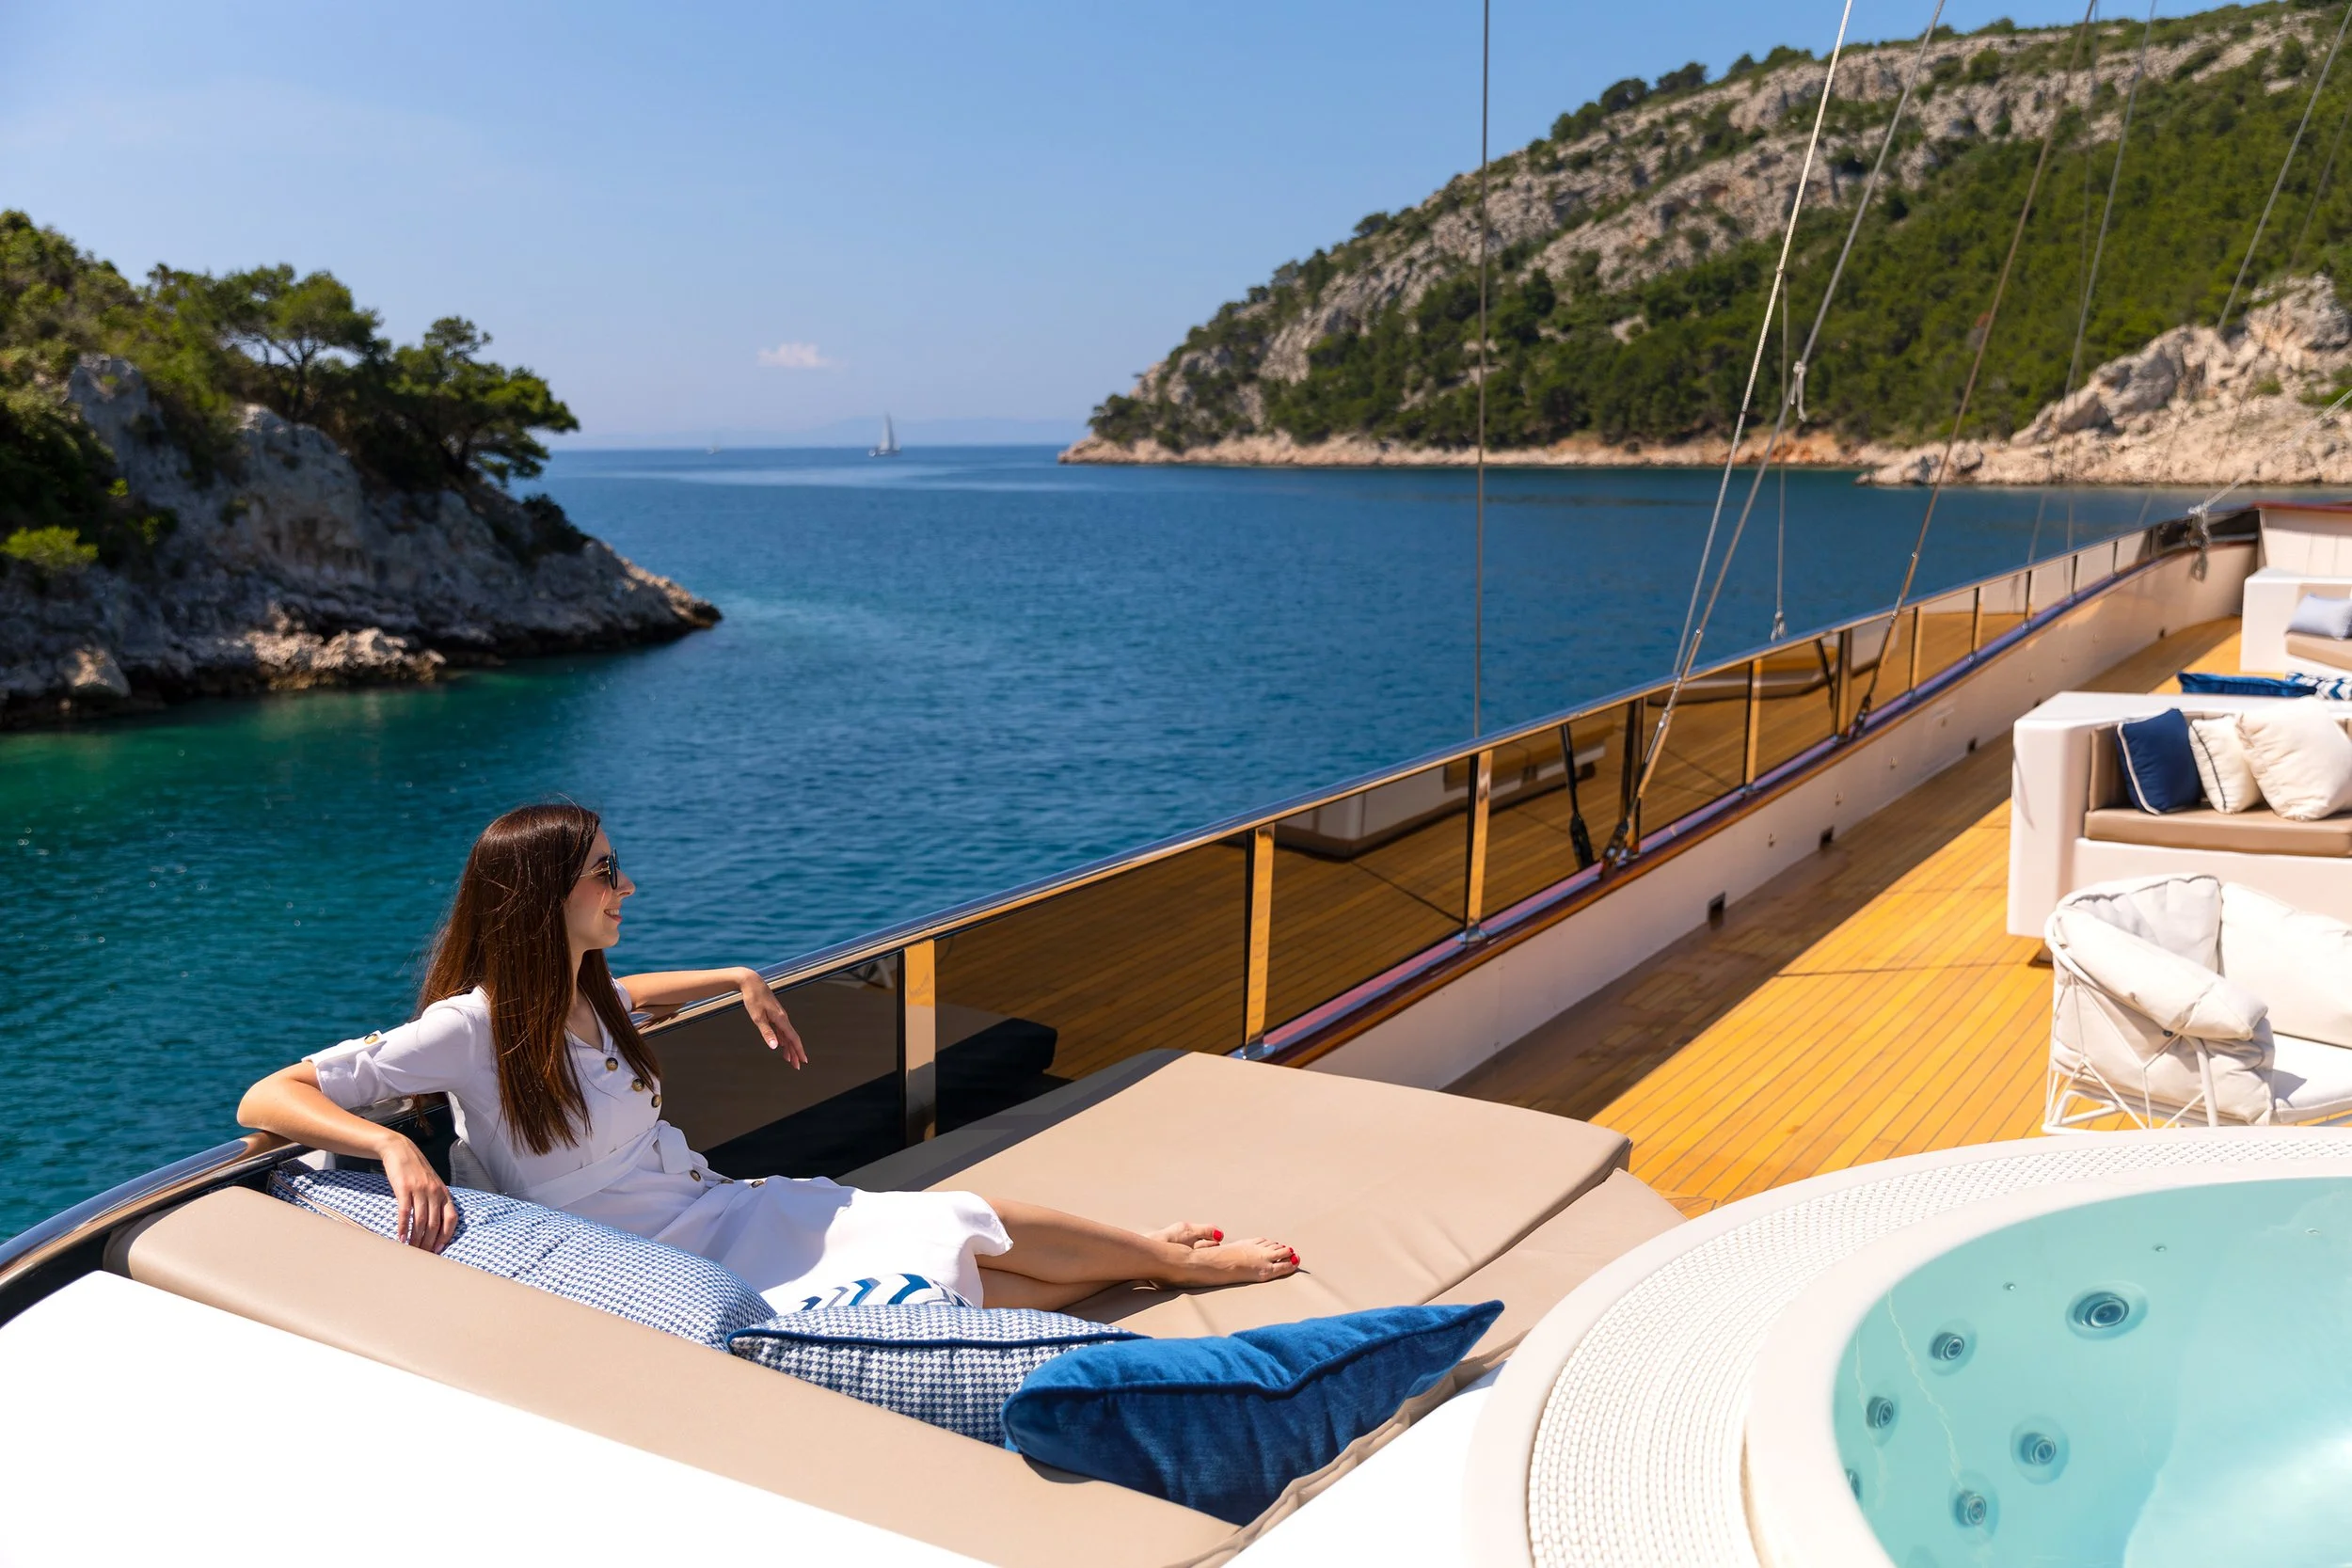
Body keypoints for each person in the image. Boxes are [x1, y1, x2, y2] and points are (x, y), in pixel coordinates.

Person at [237, 802, 1300, 1311]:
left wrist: (735, 975)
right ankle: (1156, 1259)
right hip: (656, 1259)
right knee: (937, 1277)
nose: (625, 886)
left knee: (954, 1219)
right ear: (542, 895)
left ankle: (1156, 1256)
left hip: (715, 1206)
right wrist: (392, 1146)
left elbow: (629, 995)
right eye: (606, 871)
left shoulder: (580, 992)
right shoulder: (467, 1027)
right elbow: (267, 1095)